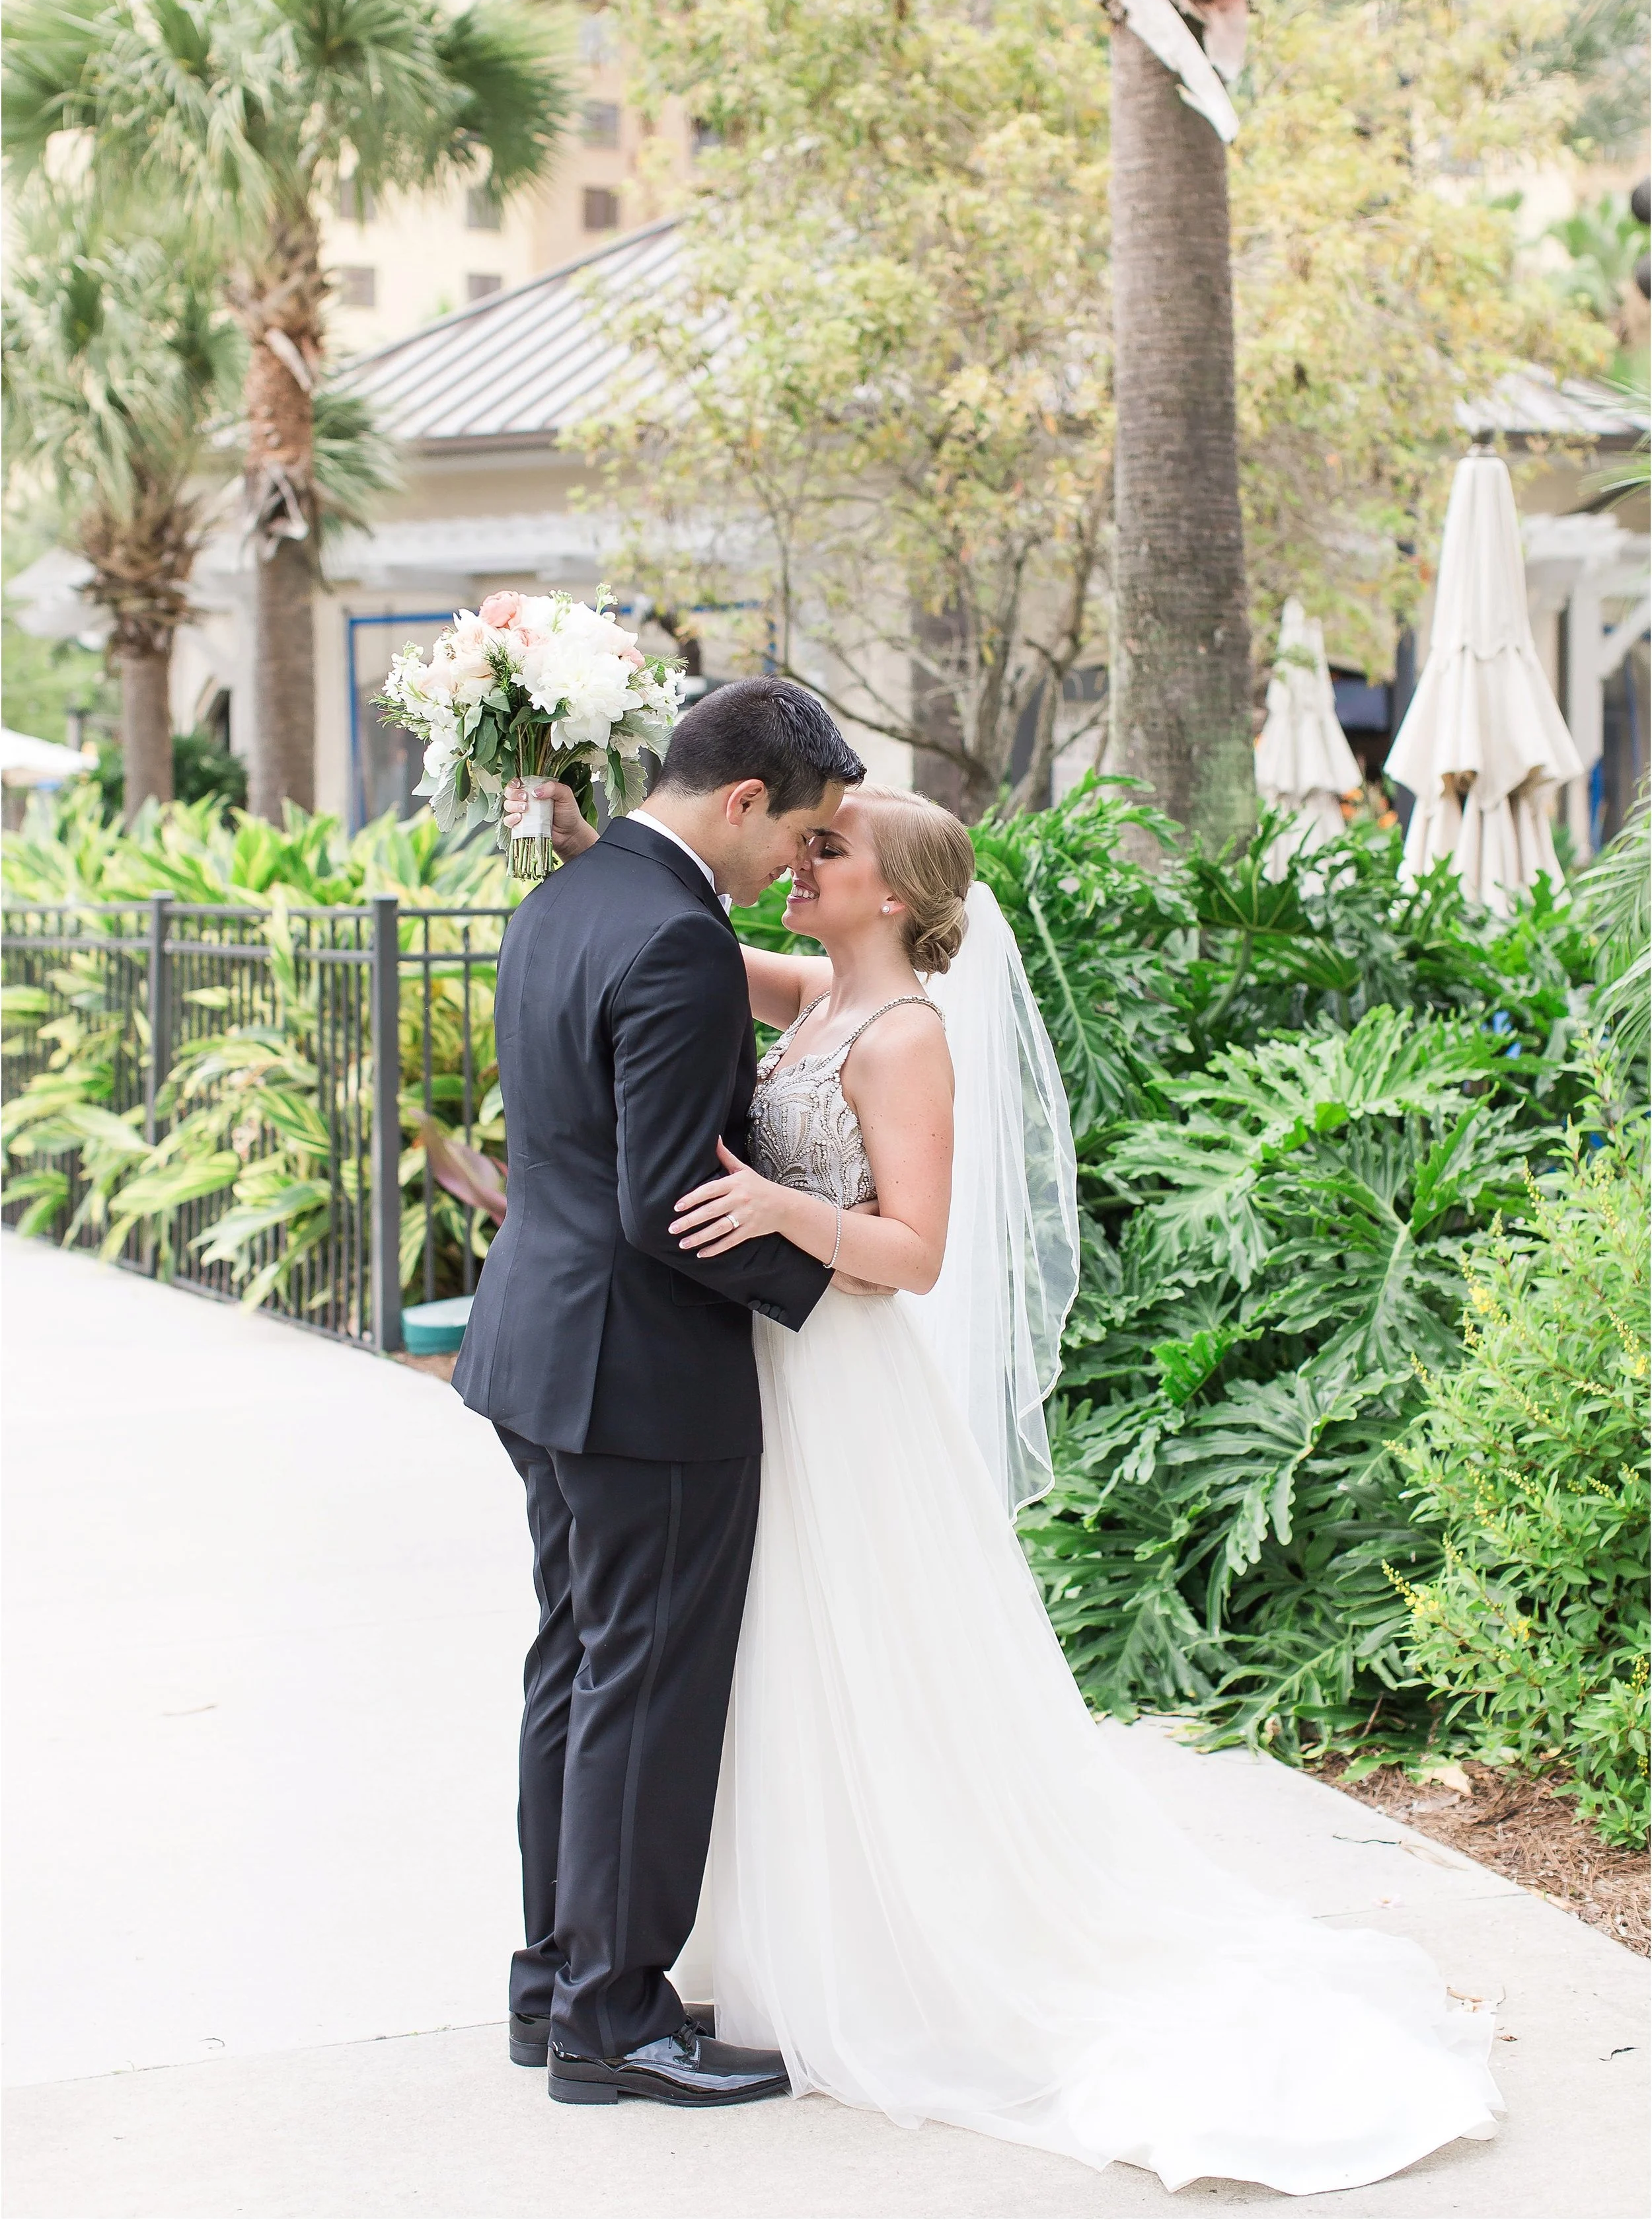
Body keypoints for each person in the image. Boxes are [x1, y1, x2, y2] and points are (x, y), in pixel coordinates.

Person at [503, 763, 1505, 2194]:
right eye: (798, 836)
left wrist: (780, 1203)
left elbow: (913, 1249)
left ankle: (870, 1936)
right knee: (764, 1663)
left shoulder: (905, 1031)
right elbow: (689, 934)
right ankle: (740, 1935)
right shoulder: (816, 989)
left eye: (826, 848)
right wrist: (597, 838)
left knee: (856, 1658)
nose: (798, 857)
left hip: (838, 1373)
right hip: (755, 1370)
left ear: (892, 895)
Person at [457, 677, 866, 2110]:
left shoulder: (565, 898)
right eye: (799, 834)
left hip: (534, 1344)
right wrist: (837, 1296)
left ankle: (553, 1982)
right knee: (643, 1684)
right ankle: (616, 2017)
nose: (794, 870)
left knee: (575, 1663)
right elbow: (668, 1199)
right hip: (641, 1366)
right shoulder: (681, 936)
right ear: (744, 797)